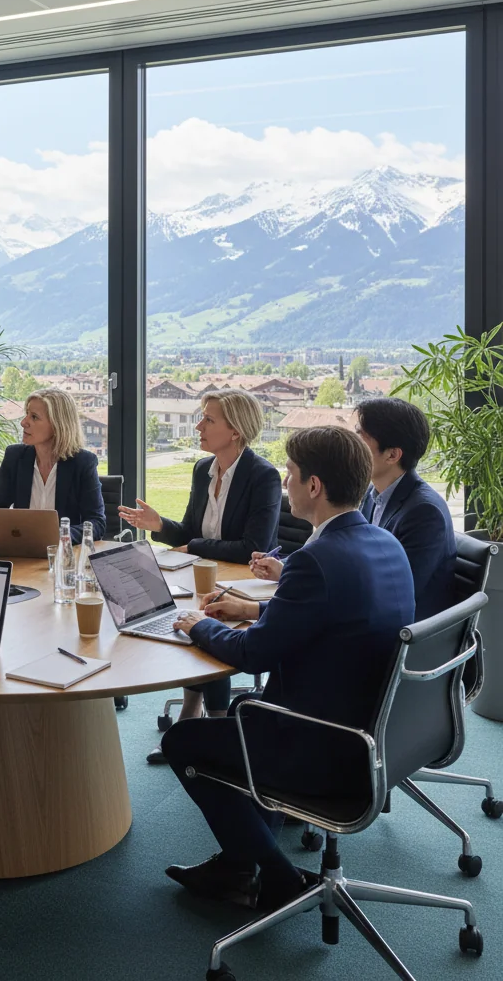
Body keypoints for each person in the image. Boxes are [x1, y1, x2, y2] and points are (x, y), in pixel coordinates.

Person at [162, 427, 414, 912]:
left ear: (314, 486)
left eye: (292, 474)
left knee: (183, 741)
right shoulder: (384, 544)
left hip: (320, 743)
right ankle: (239, 866)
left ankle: (277, 877)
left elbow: (253, 656)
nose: (285, 482)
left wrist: (196, 625)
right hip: (372, 733)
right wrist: (252, 611)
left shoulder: (314, 560)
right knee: (242, 711)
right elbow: (335, 618)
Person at [117, 389, 281, 759]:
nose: (198, 425)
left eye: (208, 419)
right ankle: (194, 717)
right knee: (182, 614)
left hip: (242, 582)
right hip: (201, 574)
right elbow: (192, 533)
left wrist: (194, 547)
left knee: (208, 616)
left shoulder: (263, 475)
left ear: (235, 430)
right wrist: (159, 525)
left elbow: (249, 545)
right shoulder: (201, 470)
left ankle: (213, 726)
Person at [248, 397, 456, 625]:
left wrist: (260, 606)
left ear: (392, 455)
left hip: (399, 638)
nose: (351, 444)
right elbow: (353, 563)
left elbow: (393, 594)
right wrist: (285, 567)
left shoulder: (424, 512)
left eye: (360, 436)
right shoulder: (370, 493)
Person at [0, 387, 105, 544]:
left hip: (63, 557)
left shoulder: (83, 463)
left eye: (34, 417)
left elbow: (96, 524)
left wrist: (58, 536)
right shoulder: (15, 457)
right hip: (22, 554)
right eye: (26, 414)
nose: (23, 422)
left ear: (57, 425)